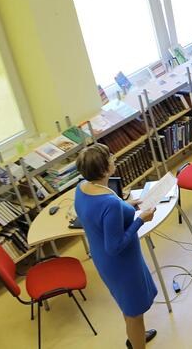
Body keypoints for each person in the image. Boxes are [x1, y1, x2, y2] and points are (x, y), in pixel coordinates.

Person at [74, 144, 158, 349]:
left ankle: (135, 334)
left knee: (129, 306)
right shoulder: (109, 203)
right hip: (121, 264)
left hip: (104, 259)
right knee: (134, 311)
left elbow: (100, 217)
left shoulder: (82, 187)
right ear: (103, 169)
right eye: (110, 157)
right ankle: (137, 340)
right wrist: (141, 220)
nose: (114, 158)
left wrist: (127, 206)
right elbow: (115, 245)